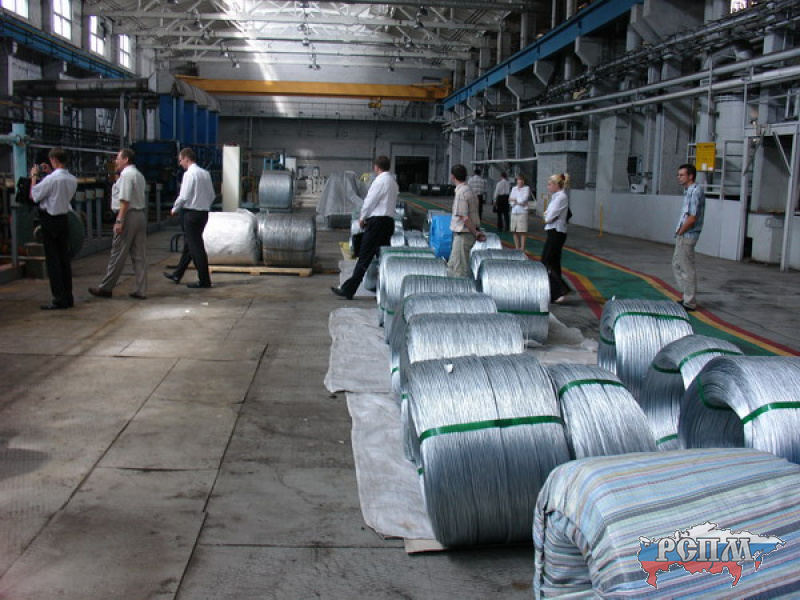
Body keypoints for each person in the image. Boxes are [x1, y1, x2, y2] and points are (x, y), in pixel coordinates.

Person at [331, 155, 398, 299]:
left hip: (377, 223)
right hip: (388, 223)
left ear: (376, 167)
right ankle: (386, 292)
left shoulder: (379, 181)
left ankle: (348, 289)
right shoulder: (393, 182)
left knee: (364, 257)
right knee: (383, 259)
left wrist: (362, 218)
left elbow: (369, 202)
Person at [89, 148, 148, 300]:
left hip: (128, 216)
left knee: (117, 254)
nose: (116, 161)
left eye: (118, 158)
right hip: (140, 215)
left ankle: (106, 288)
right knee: (139, 255)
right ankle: (141, 289)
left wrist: (120, 220)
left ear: (126, 159)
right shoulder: (138, 175)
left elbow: (125, 200)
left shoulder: (127, 175)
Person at [29, 147, 78, 310]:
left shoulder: (51, 180)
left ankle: (58, 298)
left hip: (50, 220)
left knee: (53, 261)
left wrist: (34, 177)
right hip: (64, 219)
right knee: (64, 259)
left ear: (54, 160)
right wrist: (50, 172)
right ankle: (68, 296)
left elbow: (34, 195)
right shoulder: (72, 179)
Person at [163, 148, 214, 288]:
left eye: (180, 160)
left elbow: (184, 196)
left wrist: (174, 209)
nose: (180, 163)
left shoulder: (189, 174)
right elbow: (212, 195)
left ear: (187, 158)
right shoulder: (205, 174)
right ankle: (177, 274)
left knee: (196, 248)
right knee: (190, 245)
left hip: (191, 214)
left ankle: (204, 280)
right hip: (203, 214)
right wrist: (204, 205)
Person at [673, 163, 705, 311]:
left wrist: (681, 231)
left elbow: (692, 217)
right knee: (677, 264)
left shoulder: (695, 192)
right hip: (683, 234)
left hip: (688, 235)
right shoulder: (688, 191)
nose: (679, 177)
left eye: (682, 175)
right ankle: (687, 296)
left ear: (690, 176)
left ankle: (690, 301)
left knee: (686, 267)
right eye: (678, 175)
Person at [448, 164, 486, 278]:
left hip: (463, 235)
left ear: (453, 176)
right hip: (467, 235)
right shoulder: (470, 190)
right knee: (453, 265)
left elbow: (464, 217)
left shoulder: (461, 193)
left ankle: (462, 289)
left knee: (459, 270)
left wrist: (476, 233)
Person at [542, 173, 572, 304]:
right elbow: (547, 215)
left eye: (550, 184)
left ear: (556, 185)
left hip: (556, 232)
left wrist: (547, 216)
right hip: (554, 231)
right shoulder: (557, 197)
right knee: (554, 263)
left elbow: (548, 217)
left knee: (546, 261)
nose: (548, 187)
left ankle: (560, 290)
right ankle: (557, 292)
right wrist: (547, 215)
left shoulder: (560, 198)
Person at [509, 174, 531, 251]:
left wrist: (515, 200)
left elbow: (523, 199)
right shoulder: (514, 188)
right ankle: (517, 247)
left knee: (522, 231)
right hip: (514, 211)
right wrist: (515, 201)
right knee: (514, 230)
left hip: (522, 211)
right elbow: (510, 199)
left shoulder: (526, 188)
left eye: (521, 180)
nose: (519, 181)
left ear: (523, 181)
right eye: (518, 180)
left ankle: (522, 248)